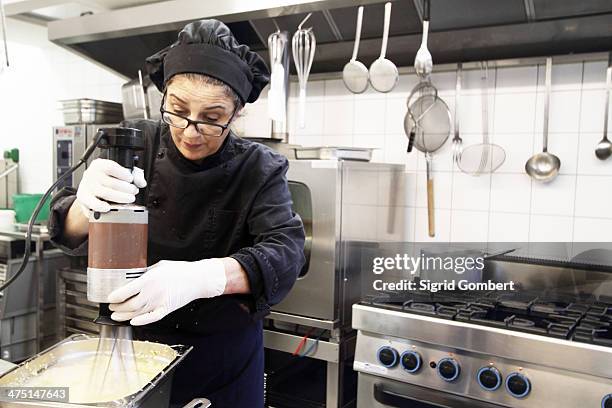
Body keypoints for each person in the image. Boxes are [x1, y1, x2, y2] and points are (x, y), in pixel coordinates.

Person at [48, 19, 306, 407]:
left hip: (222, 365)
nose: (189, 131)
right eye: (178, 111)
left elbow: (287, 255)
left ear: (235, 114)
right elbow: (69, 229)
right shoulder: (137, 142)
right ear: (164, 97)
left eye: (212, 118)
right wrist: (85, 206)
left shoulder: (260, 168)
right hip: (132, 350)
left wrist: (201, 278)